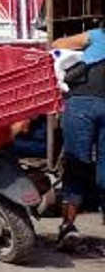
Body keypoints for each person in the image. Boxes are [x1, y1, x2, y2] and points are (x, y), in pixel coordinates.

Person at [51, 22, 105, 249]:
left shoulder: (95, 36)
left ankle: (67, 227)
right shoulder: (96, 35)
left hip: (82, 104)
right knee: (76, 164)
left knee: (81, 166)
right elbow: (57, 44)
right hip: (81, 102)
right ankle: (67, 228)